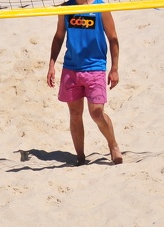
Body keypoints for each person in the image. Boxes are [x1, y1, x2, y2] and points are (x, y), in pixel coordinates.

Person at [47, 0, 122, 166]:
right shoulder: (66, 8)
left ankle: (113, 144)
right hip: (71, 68)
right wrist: (52, 64)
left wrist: (114, 68)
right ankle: (80, 158)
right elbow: (59, 36)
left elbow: (113, 38)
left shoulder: (100, 7)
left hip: (95, 68)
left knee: (96, 112)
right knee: (75, 114)